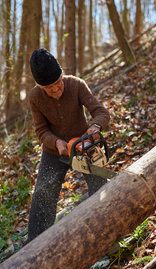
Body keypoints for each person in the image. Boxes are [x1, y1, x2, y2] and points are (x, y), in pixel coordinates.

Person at [27, 48, 110, 242]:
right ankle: (35, 244)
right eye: (49, 88)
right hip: (54, 151)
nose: (55, 89)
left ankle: (107, 230)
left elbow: (100, 111)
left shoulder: (76, 85)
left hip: (84, 144)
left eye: (57, 83)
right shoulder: (34, 97)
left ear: (62, 75)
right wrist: (56, 142)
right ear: (40, 86)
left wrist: (95, 127)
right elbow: (41, 131)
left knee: (100, 187)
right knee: (42, 194)